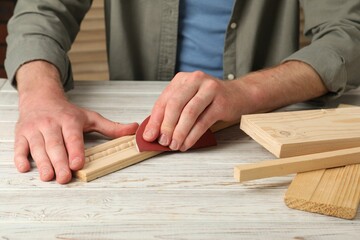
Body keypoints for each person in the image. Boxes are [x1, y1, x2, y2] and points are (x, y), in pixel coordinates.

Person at [5, 0, 360, 184]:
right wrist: (39, 96)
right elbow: (42, 10)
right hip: (136, 124)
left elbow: (349, 32)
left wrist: (248, 92)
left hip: (261, 129)